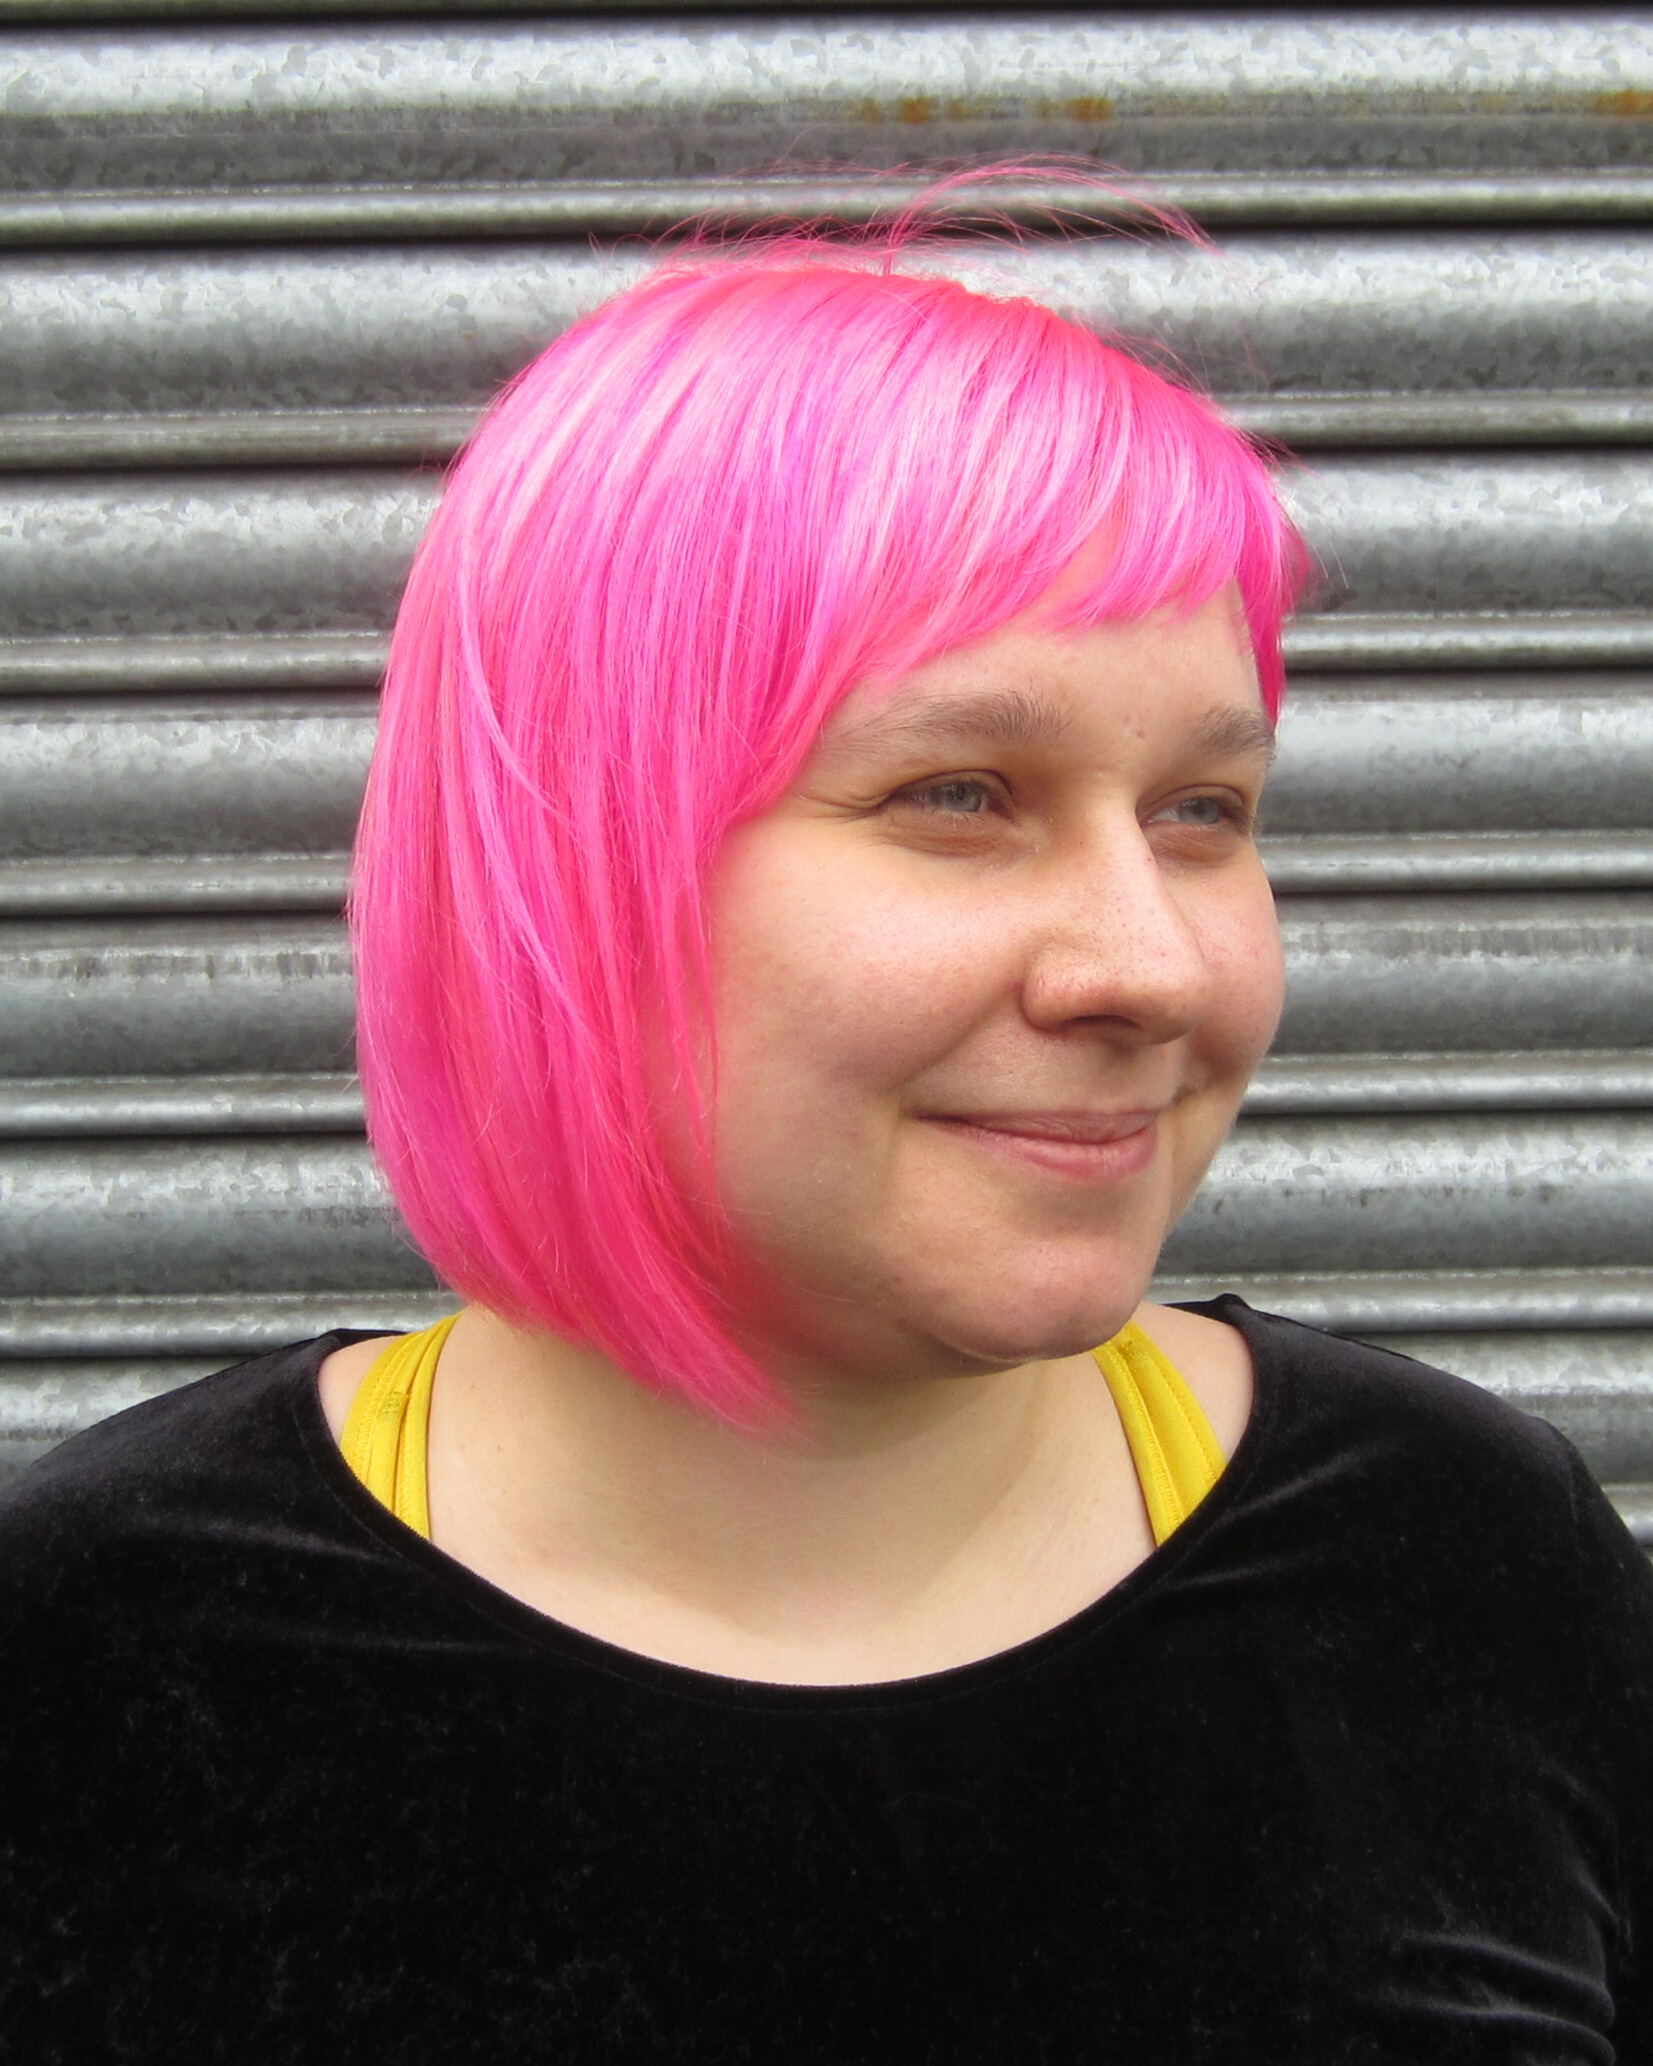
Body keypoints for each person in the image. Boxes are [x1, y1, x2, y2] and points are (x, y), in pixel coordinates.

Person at [3, 198, 1653, 2064]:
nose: (1150, 965)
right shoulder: (101, 1649)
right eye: (960, 792)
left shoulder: (1459, 1565)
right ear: (574, 861)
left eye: (1202, 808)